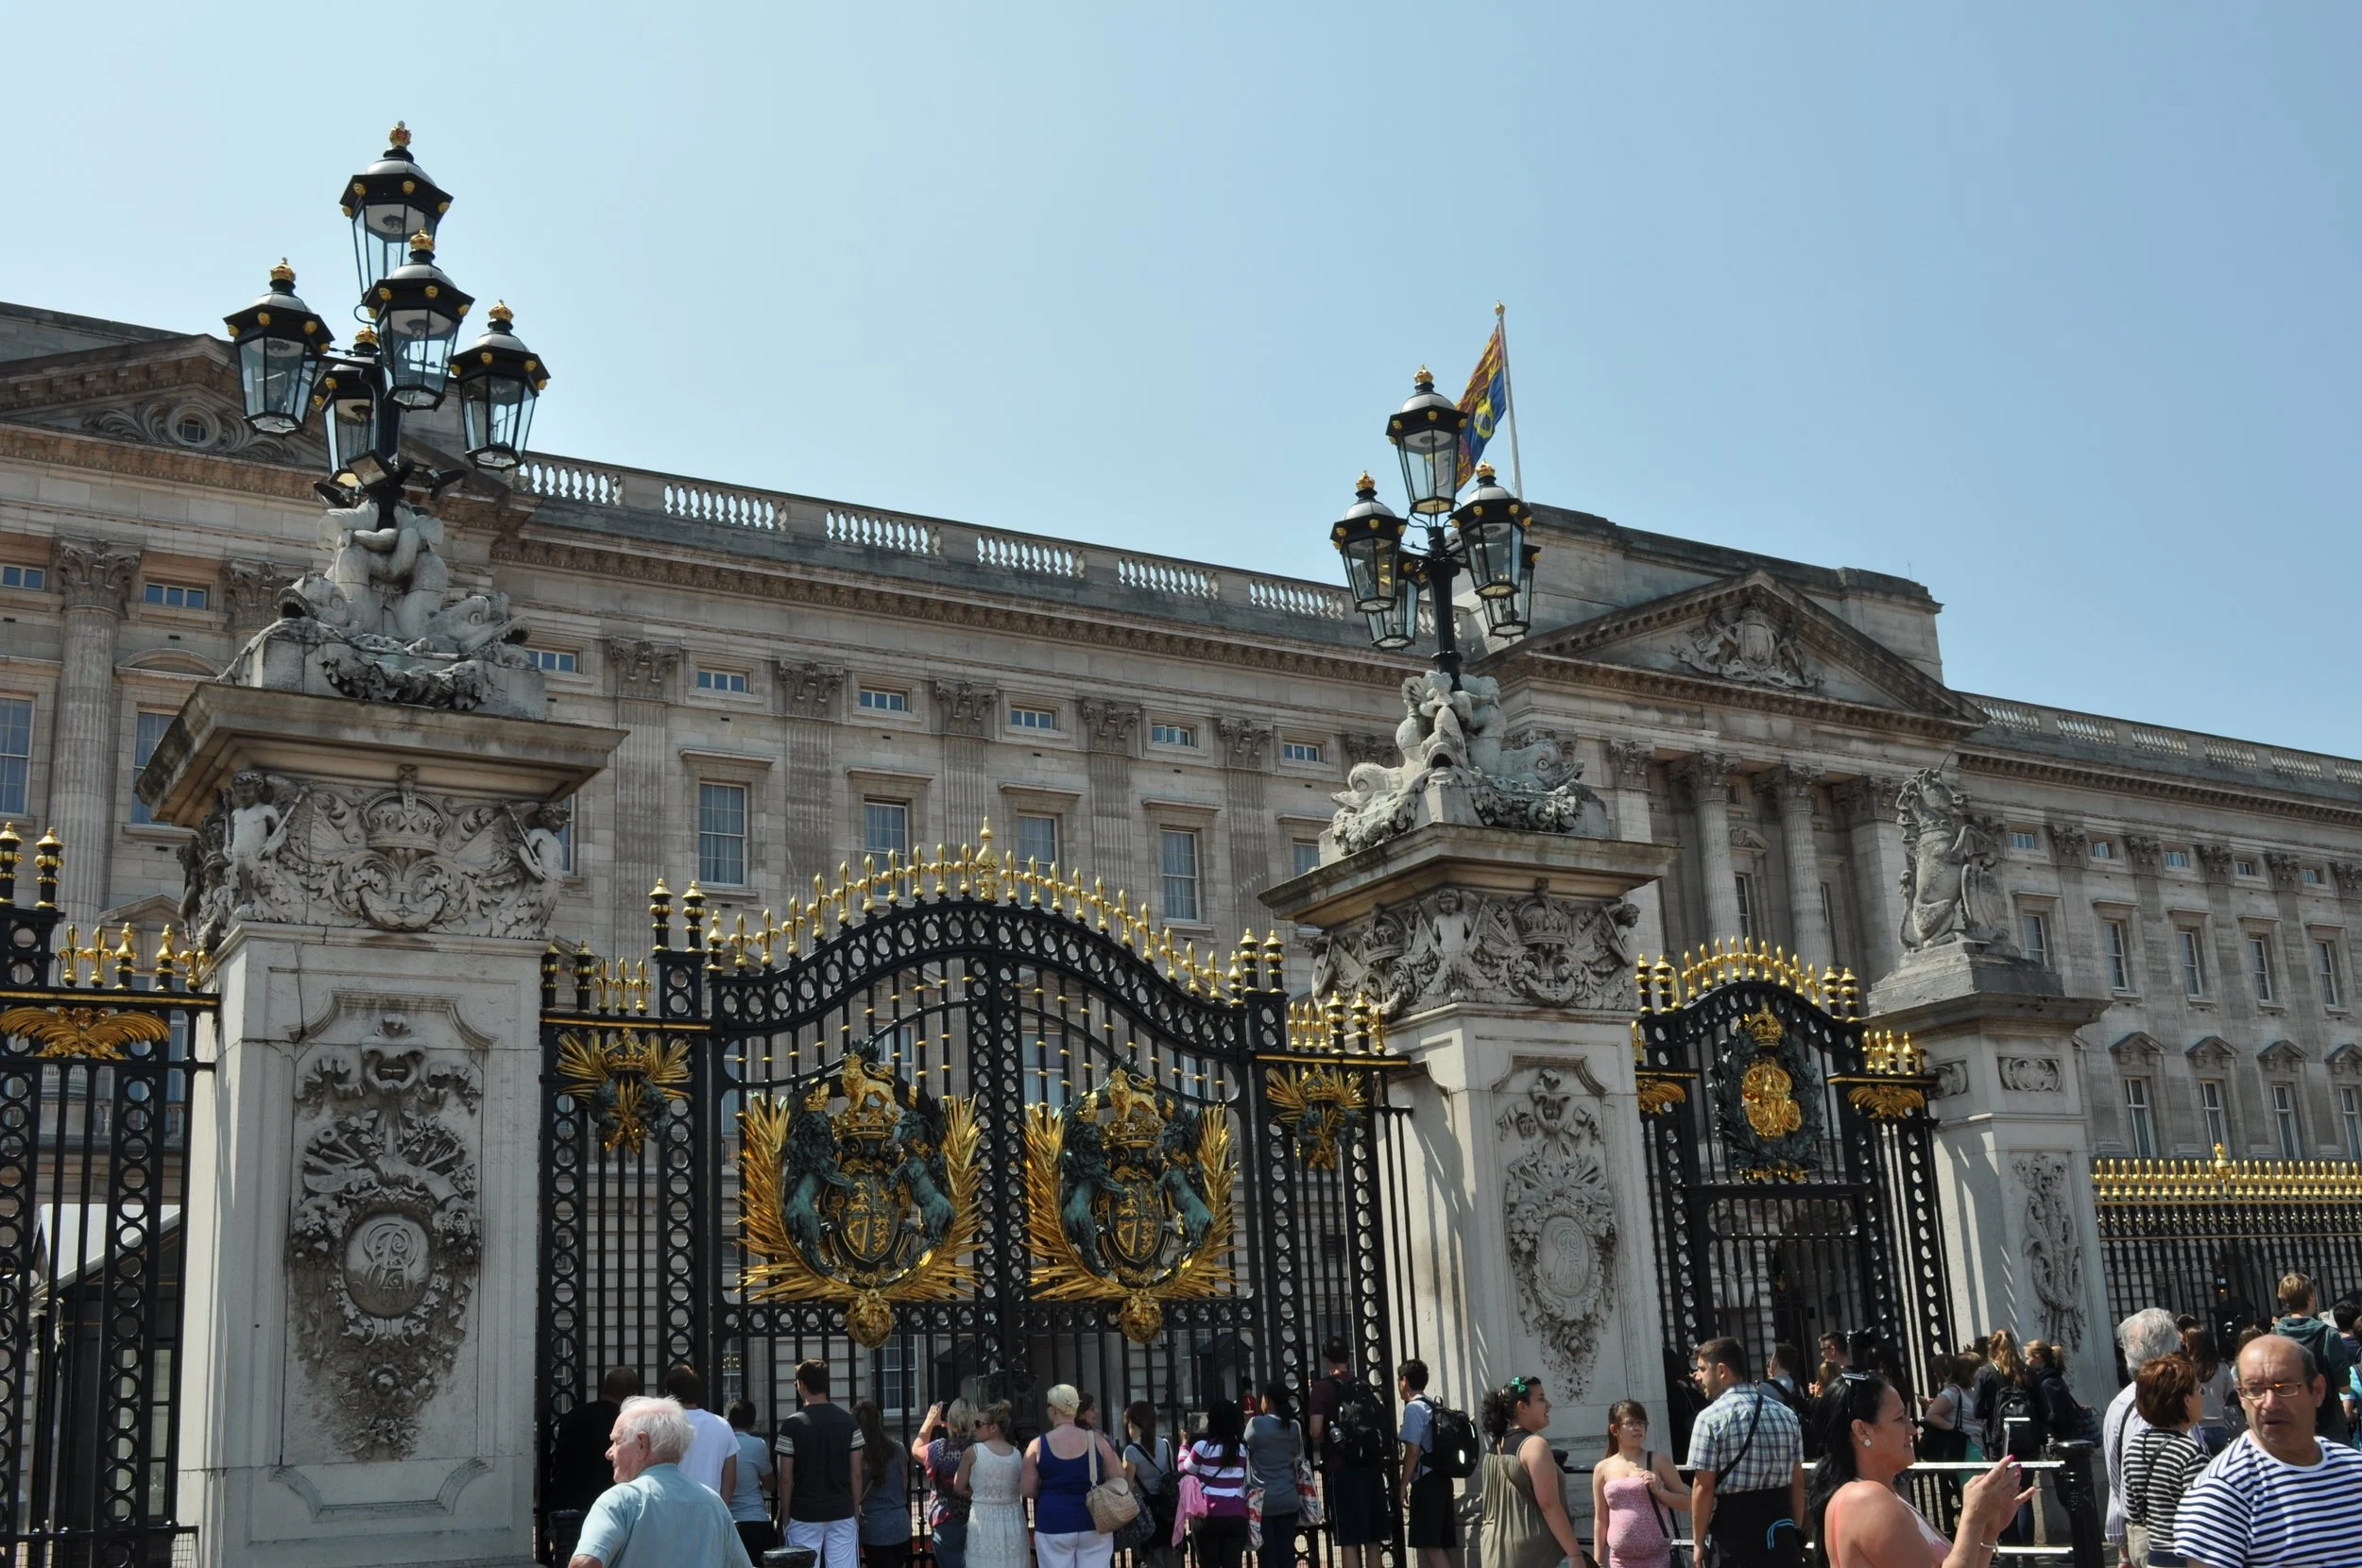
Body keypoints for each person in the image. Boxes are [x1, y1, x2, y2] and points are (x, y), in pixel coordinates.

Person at [1805, 1372, 2031, 1568]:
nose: (1912, 1429)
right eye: (1899, 1419)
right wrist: (1972, 1517)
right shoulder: (1866, 1499)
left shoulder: (1876, 1494)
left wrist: (1988, 1527)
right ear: (1862, 1431)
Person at [2175, 1334, 2362, 1568]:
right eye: (2255, 1390)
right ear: (2241, 1396)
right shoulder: (2222, 1492)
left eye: (2284, 1388)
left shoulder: (2354, 1470)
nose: (2269, 1403)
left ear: (2317, 1390)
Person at [568, 1395, 755, 1568]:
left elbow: (585, 1563)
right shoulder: (713, 1503)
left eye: (616, 1441)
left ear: (642, 1443)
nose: (609, 1453)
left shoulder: (619, 1501)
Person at [1686, 1338, 1805, 1568]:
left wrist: (1698, 1542)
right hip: (1780, 1534)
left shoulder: (1710, 1419)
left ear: (1721, 1371)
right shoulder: (1785, 1414)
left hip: (1734, 1536)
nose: (1697, 1377)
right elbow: (1798, 1482)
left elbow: (1703, 1487)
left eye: (1701, 1369)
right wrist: (1795, 1531)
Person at [1476, 1376, 1584, 1568]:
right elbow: (1549, 1505)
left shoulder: (1495, 1446)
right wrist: (1575, 1553)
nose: (1549, 1405)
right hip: (1535, 1553)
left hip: (1495, 1550)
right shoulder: (1535, 1445)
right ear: (1522, 1407)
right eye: (1541, 1399)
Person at [2106, 1309, 2186, 1562]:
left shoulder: (2118, 1405)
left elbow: (2116, 1479)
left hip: (2140, 1533)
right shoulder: (2168, 1405)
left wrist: (2121, 1546)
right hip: (2169, 1536)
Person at [2120, 1354, 2207, 1568]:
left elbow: (2132, 1509)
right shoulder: (2190, 1453)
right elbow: (2205, 1518)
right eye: (2199, 1390)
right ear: (2186, 1400)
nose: (2201, 1396)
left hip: (2154, 1555)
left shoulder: (2135, 1446)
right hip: (2187, 1558)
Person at [777, 1358, 864, 1568]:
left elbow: (785, 1477)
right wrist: (854, 1509)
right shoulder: (848, 1422)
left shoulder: (791, 1425)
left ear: (802, 1385)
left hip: (804, 1511)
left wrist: (786, 1515)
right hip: (841, 1509)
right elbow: (857, 1473)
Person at [1025, 1382, 1125, 1568]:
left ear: (1054, 1410)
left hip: (1053, 1521)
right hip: (1094, 1521)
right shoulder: (1098, 1440)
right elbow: (1119, 1477)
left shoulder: (1037, 1445)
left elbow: (1028, 1490)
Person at [1308, 1338, 1388, 1568]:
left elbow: (1315, 1430)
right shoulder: (1361, 1385)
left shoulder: (1322, 1388)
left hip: (1341, 1467)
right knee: (1373, 1539)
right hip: (1371, 1466)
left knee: (1349, 1539)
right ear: (1348, 1358)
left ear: (1326, 1359)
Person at [1591, 1399, 1688, 1568]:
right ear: (1614, 1429)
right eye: (1630, 1423)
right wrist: (1598, 1561)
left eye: (1642, 1423)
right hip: (1619, 1560)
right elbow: (1601, 1517)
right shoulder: (1602, 1468)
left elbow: (1687, 1502)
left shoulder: (1658, 1460)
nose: (1638, 1428)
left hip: (1659, 1559)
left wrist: (1660, 1492)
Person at [551, 1368, 644, 1528]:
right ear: (631, 1394)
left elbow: (559, 1458)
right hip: (611, 1503)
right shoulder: (626, 1422)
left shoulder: (575, 1414)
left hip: (571, 1501)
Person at [2269, 1272, 2357, 1442]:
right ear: (2310, 1296)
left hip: (2290, 1422)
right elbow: (2345, 1387)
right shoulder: (2328, 1335)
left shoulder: (2274, 1337)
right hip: (2329, 1424)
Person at [1396, 1358, 1457, 1568]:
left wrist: (1403, 1484)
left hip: (1426, 1480)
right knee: (1437, 1542)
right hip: (1442, 1478)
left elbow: (1412, 1451)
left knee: (1430, 1544)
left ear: (1404, 1381)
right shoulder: (1433, 1405)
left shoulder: (1413, 1408)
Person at [954, 1401, 1027, 1568]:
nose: (974, 1428)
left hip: (983, 1517)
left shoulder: (973, 1452)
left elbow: (958, 1487)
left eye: (978, 1424)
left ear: (993, 1428)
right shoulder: (1016, 1454)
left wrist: (978, 1495)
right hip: (1014, 1518)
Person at [1183, 1399, 1255, 1568]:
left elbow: (1184, 1470)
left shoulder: (1202, 1447)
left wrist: (1184, 1446)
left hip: (1208, 1515)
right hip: (1237, 1514)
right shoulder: (1242, 1449)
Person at [1245, 1381, 1307, 1568]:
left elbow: (1245, 1448)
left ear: (1268, 1401)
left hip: (1263, 1502)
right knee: (1287, 1553)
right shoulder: (1294, 1426)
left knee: (1267, 1556)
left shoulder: (1256, 1424)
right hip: (1288, 1498)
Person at [914, 1399, 976, 1568]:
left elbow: (916, 1448)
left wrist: (930, 1421)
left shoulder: (939, 1449)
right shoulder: (981, 1450)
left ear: (950, 1421)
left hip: (945, 1518)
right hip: (978, 1517)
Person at [1121, 1401, 1182, 1568]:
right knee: (1170, 1557)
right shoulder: (1165, 1444)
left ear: (1132, 1424)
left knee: (1150, 1559)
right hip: (1168, 1511)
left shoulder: (1131, 1451)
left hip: (1146, 1513)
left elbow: (1126, 1487)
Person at [856, 1399, 913, 1568]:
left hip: (875, 1527)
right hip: (900, 1523)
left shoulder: (859, 1455)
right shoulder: (898, 1449)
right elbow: (904, 1484)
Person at [669, 1366, 737, 1495]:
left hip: (672, 1506)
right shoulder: (723, 1425)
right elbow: (730, 1480)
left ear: (670, 1393)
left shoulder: (664, 1424)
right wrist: (720, 1511)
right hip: (709, 1507)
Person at [725, 1398, 779, 1560]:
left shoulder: (722, 1443)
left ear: (730, 1420)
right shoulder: (757, 1445)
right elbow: (770, 1485)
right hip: (755, 1519)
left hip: (728, 1519)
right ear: (752, 1422)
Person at [2183, 1330, 2235, 1456]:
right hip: (2220, 1425)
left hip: (2198, 1427)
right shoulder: (2222, 1368)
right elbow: (2230, 1395)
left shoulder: (2188, 1369)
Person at [1975, 1333, 2026, 1458]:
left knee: (2002, 1476)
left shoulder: (1985, 1373)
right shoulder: (2026, 1371)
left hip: (1998, 1438)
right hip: (2027, 1438)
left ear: (1991, 1349)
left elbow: (1977, 1412)